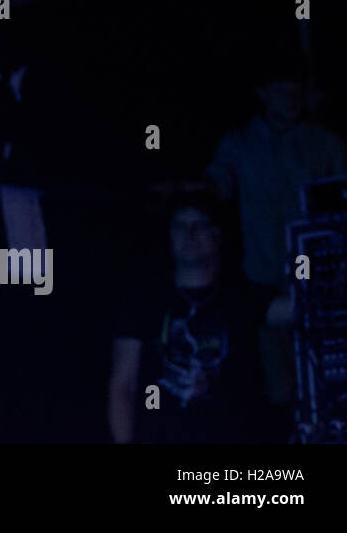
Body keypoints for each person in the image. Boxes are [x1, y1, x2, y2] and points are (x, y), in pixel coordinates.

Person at [203, 65, 347, 407]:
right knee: (280, 385)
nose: (290, 100)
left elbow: (346, 196)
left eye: (296, 91)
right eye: (281, 91)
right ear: (263, 92)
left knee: (328, 376)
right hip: (264, 279)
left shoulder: (326, 143)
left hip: (320, 279)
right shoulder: (239, 142)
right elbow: (216, 186)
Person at [108, 190, 291, 443]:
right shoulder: (144, 302)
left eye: (198, 225)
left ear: (217, 236)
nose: (189, 234)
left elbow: (300, 309)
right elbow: (123, 385)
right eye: (180, 227)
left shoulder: (239, 296)